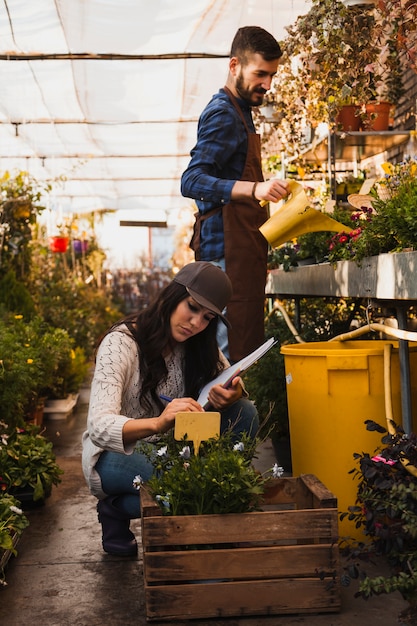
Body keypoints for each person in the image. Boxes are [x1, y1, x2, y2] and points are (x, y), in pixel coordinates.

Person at [82, 261, 259, 557]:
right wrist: (158, 423)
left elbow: (229, 377)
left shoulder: (198, 342)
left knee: (244, 412)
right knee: (183, 483)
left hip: (175, 449)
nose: (195, 323)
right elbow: (99, 426)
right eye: (191, 307)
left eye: (207, 317)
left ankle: (120, 509)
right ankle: (201, 527)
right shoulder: (121, 343)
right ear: (172, 296)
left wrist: (232, 392)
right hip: (117, 452)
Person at [181, 26, 290, 363]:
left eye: (272, 75)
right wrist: (254, 188)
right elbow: (191, 180)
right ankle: (218, 417)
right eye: (260, 73)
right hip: (224, 255)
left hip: (238, 251)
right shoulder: (224, 114)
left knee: (236, 354)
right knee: (224, 361)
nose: (267, 84)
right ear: (234, 66)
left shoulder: (240, 111)